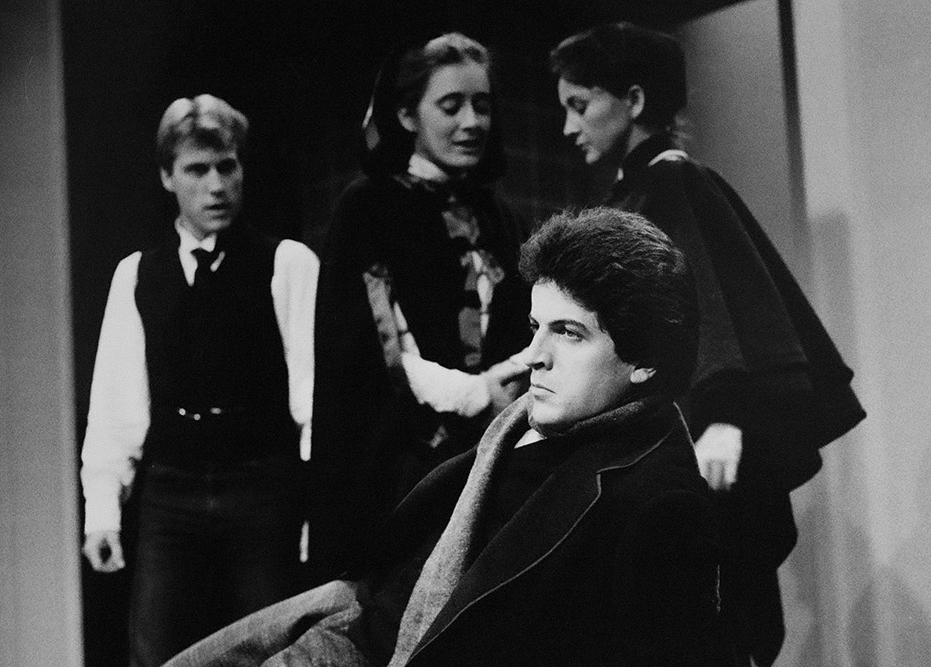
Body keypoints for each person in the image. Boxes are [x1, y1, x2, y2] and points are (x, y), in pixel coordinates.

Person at [165, 206, 725, 667]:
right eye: (536, 328)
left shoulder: (660, 501)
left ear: (645, 360)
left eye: (569, 334)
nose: (535, 357)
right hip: (360, 618)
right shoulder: (521, 428)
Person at [550, 22, 866, 666]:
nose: (566, 127)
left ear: (633, 101)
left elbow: (723, 309)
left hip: (701, 448)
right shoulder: (631, 194)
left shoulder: (676, 184)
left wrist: (723, 414)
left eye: (580, 105)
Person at [79, 94, 319, 667]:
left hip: (261, 490)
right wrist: (102, 512)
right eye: (197, 169)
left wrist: (317, 507)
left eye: (227, 167)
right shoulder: (138, 275)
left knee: (274, 653)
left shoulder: (287, 264)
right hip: (172, 497)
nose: (216, 186)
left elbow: (315, 401)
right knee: (157, 654)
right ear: (168, 177)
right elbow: (116, 407)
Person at [309, 33, 531, 575]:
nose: (472, 122)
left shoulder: (502, 218)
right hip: (402, 467)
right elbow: (374, 344)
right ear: (408, 115)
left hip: (495, 459)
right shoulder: (369, 208)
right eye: (451, 106)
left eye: (482, 105)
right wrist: (473, 392)